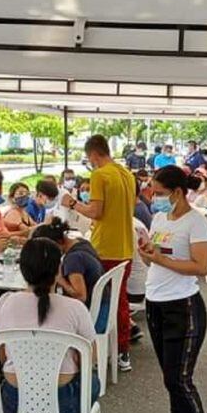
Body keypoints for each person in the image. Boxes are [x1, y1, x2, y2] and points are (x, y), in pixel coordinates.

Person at [0, 237, 99, 413]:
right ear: (58, 270)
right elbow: (89, 357)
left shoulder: (3, 304)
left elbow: (1, 355)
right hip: (64, 404)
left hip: (14, 401)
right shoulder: (75, 308)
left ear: (22, 270)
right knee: (93, 380)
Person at [140, 165, 207, 413]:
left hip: (183, 306)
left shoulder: (196, 222)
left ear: (177, 192)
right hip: (155, 303)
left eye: (158, 193)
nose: (154, 198)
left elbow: (202, 266)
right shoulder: (159, 218)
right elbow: (151, 259)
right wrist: (146, 252)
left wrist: (160, 258)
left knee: (179, 378)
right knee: (169, 375)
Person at [62, 135, 138, 372]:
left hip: (105, 247)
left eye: (88, 158)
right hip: (126, 245)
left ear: (93, 154)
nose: (90, 163)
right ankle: (122, 351)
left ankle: (92, 350)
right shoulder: (125, 173)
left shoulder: (100, 175)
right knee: (120, 301)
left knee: (95, 301)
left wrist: (72, 203)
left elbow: (95, 211)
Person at [33, 218, 107, 324]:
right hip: (103, 305)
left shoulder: (73, 259)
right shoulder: (82, 243)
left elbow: (81, 297)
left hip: (94, 315)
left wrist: (60, 279)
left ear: (57, 242)